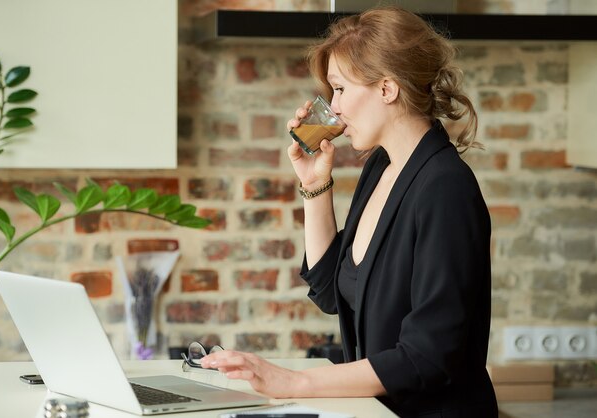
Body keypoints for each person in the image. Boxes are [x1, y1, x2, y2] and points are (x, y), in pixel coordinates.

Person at [201, 6, 498, 417]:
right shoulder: (381, 167)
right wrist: (314, 185)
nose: (333, 108)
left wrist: (295, 381)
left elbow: (429, 355)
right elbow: (330, 292)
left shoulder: (445, 188)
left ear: (387, 89)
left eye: (339, 89)